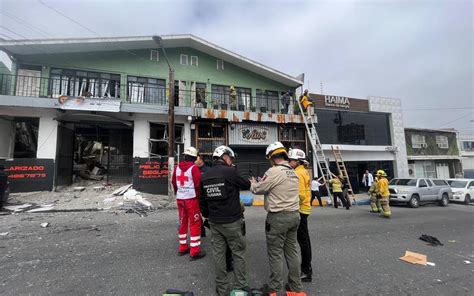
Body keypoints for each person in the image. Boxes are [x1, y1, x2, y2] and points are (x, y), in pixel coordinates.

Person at [250, 142, 304, 294]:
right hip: (294, 215)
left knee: (275, 253)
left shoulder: (273, 171)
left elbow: (259, 189)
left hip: (278, 217)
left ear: (272, 157)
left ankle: (274, 288)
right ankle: (296, 288)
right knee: (292, 252)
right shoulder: (292, 172)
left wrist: (254, 183)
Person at [200, 146, 251, 296]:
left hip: (215, 222)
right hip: (232, 221)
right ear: (225, 157)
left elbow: (202, 200)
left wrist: (208, 215)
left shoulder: (205, 175)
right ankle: (241, 286)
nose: (232, 161)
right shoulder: (230, 171)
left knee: (219, 255)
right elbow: (246, 184)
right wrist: (234, 171)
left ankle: (222, 289)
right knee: (238, 253)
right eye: (231, 158)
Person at [171, 147, 206, 260]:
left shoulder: (176, 168)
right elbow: (198, 185)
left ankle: (182, 247)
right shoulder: (194, 168)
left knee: (182, 222)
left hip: (180, 199)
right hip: (191, 200)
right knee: (195, 223)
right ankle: (195, 251)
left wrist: (179, 192)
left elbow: (174, 183)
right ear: (195, 158)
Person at [288, 148, 313, 282]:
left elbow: (301, 195)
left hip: (300, 210)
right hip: (304, 209)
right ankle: (306, 269)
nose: (289, 162)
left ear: (298, 161)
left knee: (303, 242)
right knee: (305, 241)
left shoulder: (297, 173)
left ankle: (306, 271)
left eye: (291, 160)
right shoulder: (302, 171)